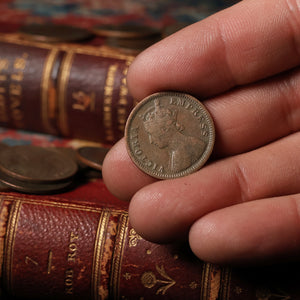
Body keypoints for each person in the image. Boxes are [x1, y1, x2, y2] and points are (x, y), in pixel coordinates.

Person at [103, 0, 300, 265]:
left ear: (167, 130)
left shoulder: (189, 149)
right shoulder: (177, 155)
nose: (148, 140)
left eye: (152, 133)